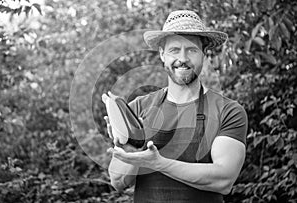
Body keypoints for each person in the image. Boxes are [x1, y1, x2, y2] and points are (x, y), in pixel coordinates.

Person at [102, 10, 248, 203]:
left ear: (204, 55)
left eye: (192, 50)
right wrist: (130, 148)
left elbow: (223, 180)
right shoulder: (138, 108)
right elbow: (119, 182)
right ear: (162, 55)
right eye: (174, 50)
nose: (183, 58)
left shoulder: (228, 111)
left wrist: (159, 163)